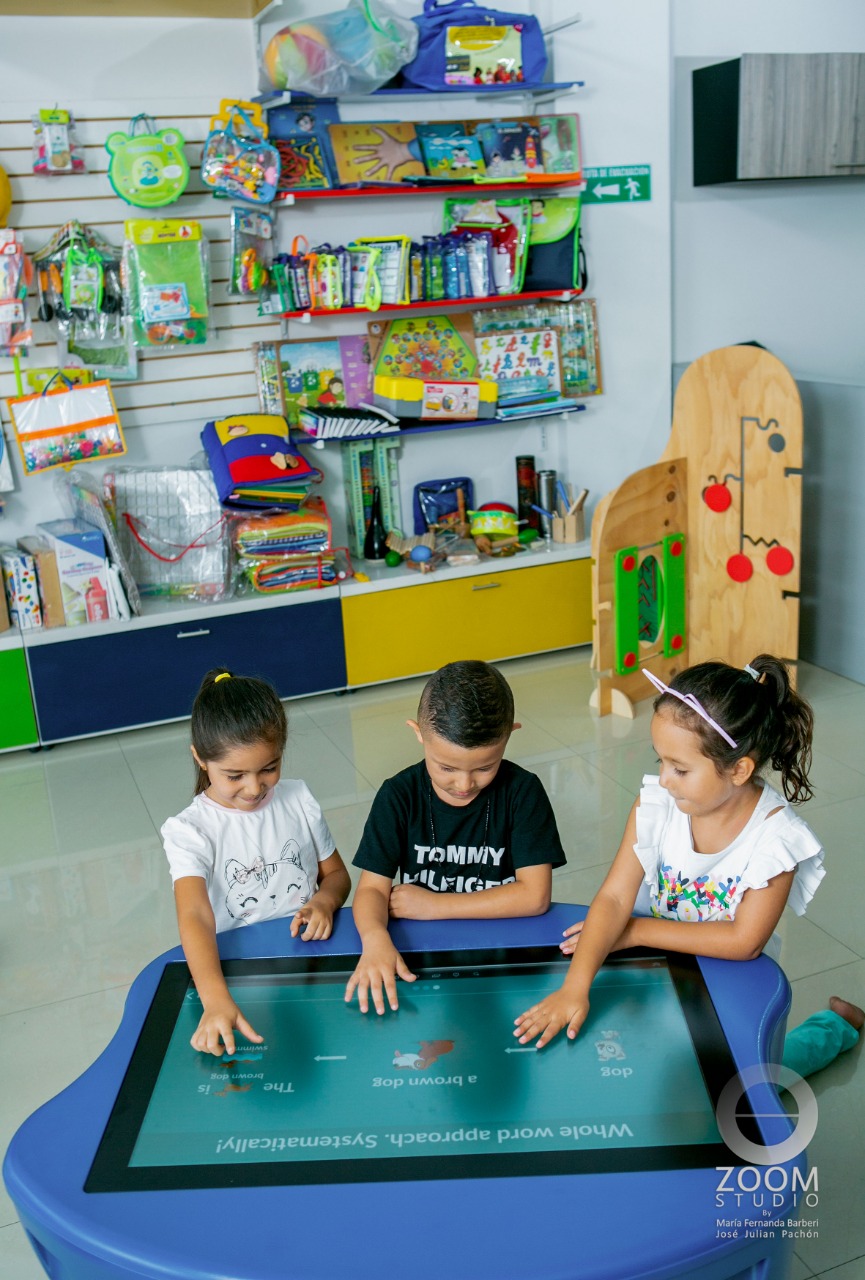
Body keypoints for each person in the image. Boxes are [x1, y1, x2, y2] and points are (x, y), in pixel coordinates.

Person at [514, 655, 863, 1076]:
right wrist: (575, 987)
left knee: (756, 1082)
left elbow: (744, 941)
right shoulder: (657, 805)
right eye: (659, 761)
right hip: (651, 963)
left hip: (726, 976)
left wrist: (635, 931)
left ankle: (837, 1026)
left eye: (679, 768)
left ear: (739, 770)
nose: (663, 779)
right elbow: (614, 896)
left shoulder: (777, 840)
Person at [346, 660, 566, 1015]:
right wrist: (374, 940)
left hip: (504, 950)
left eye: (485, 767)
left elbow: (535, 896)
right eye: (446, 767)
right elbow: (372, 889)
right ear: (418, 733)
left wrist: (433, 905)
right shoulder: (398, 796)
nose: (464, 784)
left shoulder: (523, 792)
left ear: (510, 735)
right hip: (424, 952)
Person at [161, 668, 350, 1057]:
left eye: (269, 768)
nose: (254, 787)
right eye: (235, 776)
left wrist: (324, 901)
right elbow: (194, 915)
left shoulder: (298, 799)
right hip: (239, 977)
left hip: (309, 965)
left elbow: (336, 875)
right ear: (200, 758)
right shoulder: (190, 831)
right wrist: (215, 999)